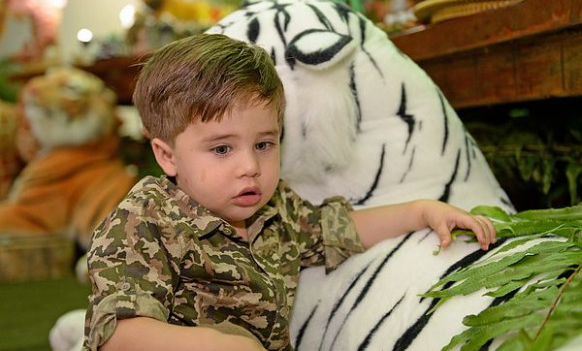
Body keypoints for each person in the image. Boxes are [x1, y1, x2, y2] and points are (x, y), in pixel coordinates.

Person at [83, 33, 496, 351]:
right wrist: (221, 346)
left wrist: (420, 211)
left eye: (264, 144)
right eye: (222, 149)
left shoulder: (276, 207)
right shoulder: (146, 220)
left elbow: (340, 229)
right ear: (167, 156)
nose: (250, 166)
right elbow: (118, 335)